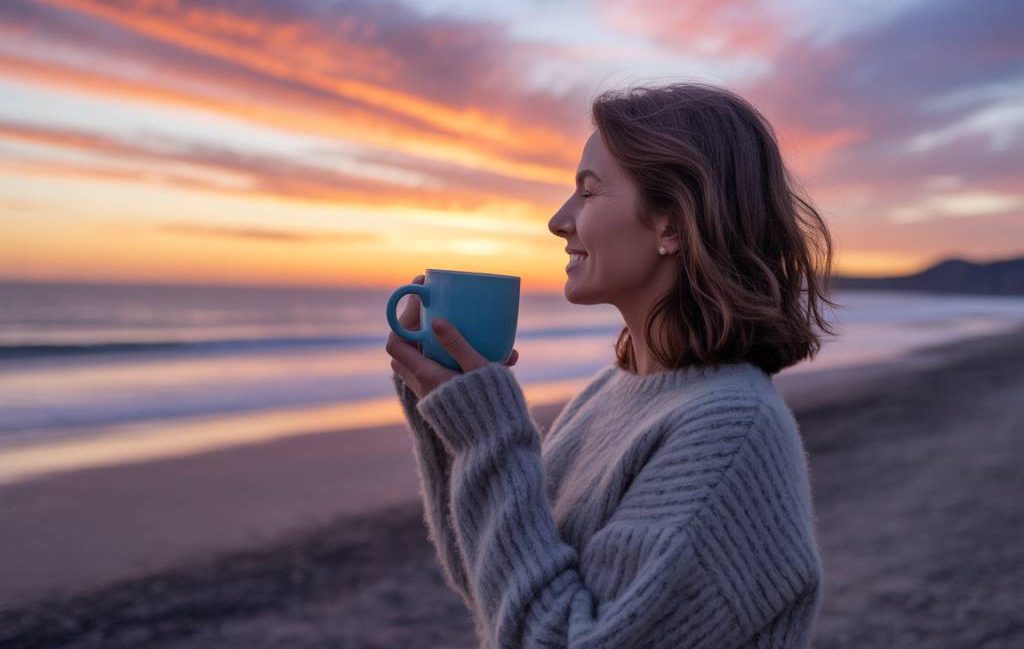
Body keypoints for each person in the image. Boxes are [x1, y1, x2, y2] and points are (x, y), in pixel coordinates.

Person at [385, 81, 836, 649]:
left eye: (589, 192)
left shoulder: (731, 431)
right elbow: (497, 582)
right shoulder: (615, 391)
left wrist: (490, 440)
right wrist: (443, 407)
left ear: (672, 224)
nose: (558, 220)